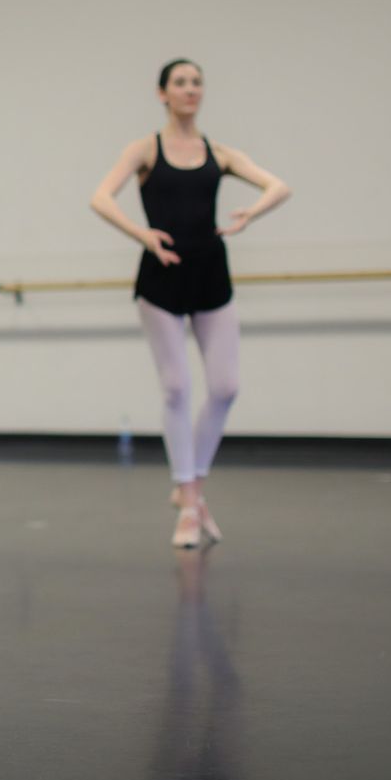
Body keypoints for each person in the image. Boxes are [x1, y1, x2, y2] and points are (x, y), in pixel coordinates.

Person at [91, 58, 290, 549]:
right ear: (162, 93)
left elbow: (278, 186)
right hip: (161, 276)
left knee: (224, 387)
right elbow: (100, 197)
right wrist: (142, 235)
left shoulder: (217, 152)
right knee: (177, 388)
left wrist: (249, 215)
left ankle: (191, 491)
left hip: (210, 274)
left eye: (197, 82)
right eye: (180, 82)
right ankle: (188, 494)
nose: (190, 90)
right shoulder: (145, 150)